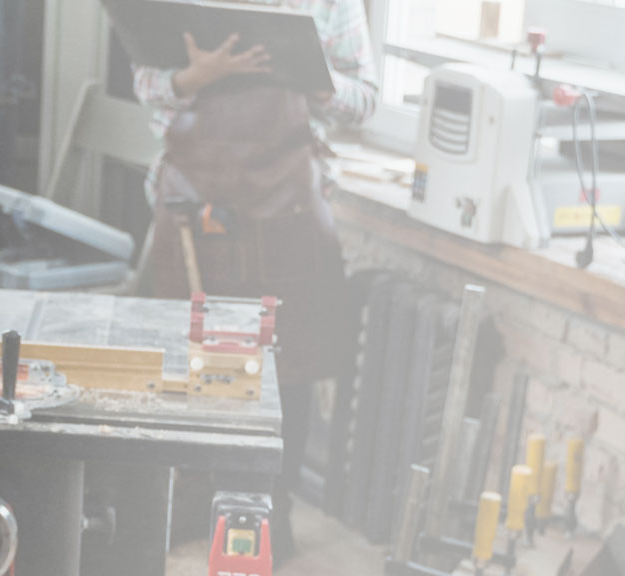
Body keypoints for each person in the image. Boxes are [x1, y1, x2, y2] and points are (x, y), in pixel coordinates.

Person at [131, 0, 378, 558]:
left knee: (287, 365)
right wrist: (198, 76)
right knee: (191, 356)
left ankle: (270, 510)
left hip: (287, 201)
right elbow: (146, 84)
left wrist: (316, 82)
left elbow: (365, 101)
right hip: (192, 195)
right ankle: (194, 494)